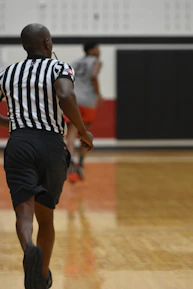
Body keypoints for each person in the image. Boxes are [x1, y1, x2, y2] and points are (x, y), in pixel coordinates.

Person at [0, 23, 93, 289]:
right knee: (46, 217)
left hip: (19, 144)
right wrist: (84, 132)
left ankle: (28, 248)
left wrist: (10, 121)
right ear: (47, 43)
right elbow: (65, 94)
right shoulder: (59, 67)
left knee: (24, 211)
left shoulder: (7, 73)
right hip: (51, 145)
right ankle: (41, 275)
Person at [66, 43, 103, 182]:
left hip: (74, 99)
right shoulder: (96, 61)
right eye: (98, 48)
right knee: (85, 135)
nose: (100, 51)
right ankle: (80, 164)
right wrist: (99, 94)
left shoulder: (75, 61)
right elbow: (93, 76)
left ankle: (70, 164)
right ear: (92, 50)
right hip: (87, 101)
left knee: (72, 132)